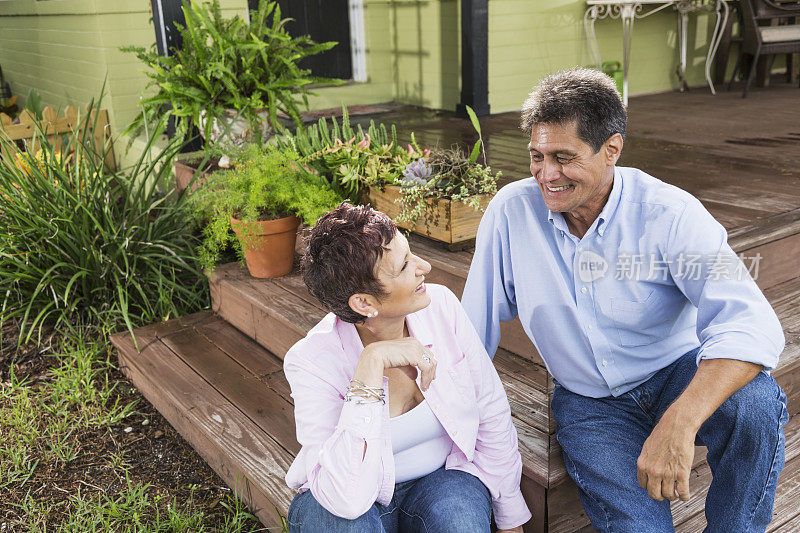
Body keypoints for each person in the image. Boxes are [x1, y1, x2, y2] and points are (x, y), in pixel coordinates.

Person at [461, 67, 788, 532]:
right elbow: (471, 330)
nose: (545, 174)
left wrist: (681, 420)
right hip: (589, 404)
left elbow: (751, 324)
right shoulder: (511, 213)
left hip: (677, 372)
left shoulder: (670, 213)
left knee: (755, 406)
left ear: (611, 149)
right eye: (536, 155)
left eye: (563, 157)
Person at [283, 202, 532, 532]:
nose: (424, 266)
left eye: (411, 254)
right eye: (403, 267)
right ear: (365, 303)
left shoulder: (441, 305)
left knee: (460, 522)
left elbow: (490, 410)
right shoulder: (311, 361)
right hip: (349, 497)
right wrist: (371, 364)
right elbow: (344, 495)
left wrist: (511, 516)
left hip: (442, 482)